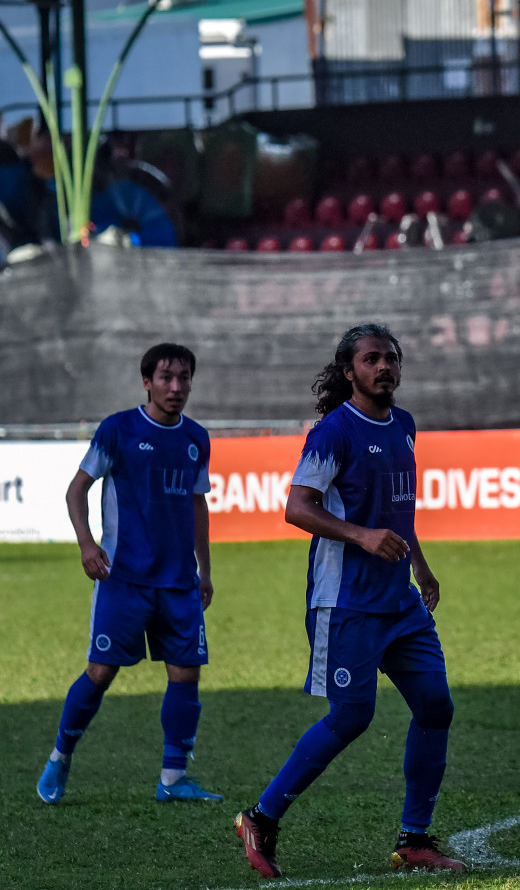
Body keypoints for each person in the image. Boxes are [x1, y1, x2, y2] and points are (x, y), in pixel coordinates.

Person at [233, 324, 463, 878]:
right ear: (348, 371)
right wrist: (360, 536)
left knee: (436, 707)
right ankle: (262, 817)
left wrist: (420, 567)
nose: (384, 366)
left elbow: (397, 513)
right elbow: (296, 507)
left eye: (391, 358)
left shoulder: (404, 425)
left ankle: (414, 839)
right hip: (346, 601)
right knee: (351, 717)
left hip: (398, 599)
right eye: (371, 359)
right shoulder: (333, 433)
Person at [36, 343, 222, 805]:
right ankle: (61, 756)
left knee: (186, 674)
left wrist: (205, 568)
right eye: (165, 377)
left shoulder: (196, 438)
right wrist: (86, 544)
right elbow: (76, 490)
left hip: (179, 582)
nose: (175, 387)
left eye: (183, 378)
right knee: (100, 673)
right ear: (147, 381)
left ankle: (173, 779)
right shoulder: (118, 430)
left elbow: (197, 505)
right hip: (124, 579)